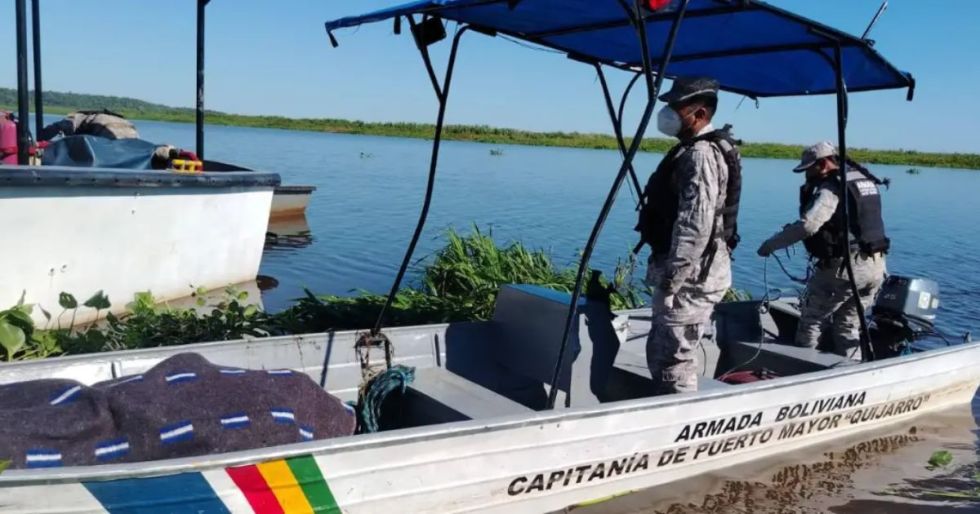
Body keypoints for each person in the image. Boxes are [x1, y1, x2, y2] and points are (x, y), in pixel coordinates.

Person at [635, 77, 743, 394]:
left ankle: (677, 427)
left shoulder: (700, 156)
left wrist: (671, 283)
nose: (668, 113)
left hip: (693, 278)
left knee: (673, 361)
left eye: (676, 107)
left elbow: (695, 224)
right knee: (665, 353)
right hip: (691, 273)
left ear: (699, 113)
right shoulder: (692, 150)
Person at [757, 141, 889, 360]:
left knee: (812, 320)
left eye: (809, 168)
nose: (807, 174)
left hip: (846, 269)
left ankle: (802, 369)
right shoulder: (862, 180)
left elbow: (809, 225)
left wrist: (771, 245)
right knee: (848, 325)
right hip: (876, 267)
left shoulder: (832, 187)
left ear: (824, 163)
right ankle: (850, 372)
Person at [38, 109, 138, 141]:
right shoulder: (92, 115)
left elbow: (56, 127)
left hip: (105, 128)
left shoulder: (73, 118)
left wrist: (41, 138)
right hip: (131, 129)